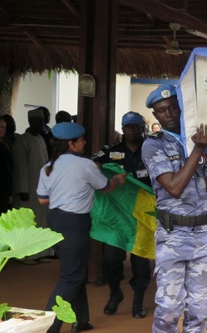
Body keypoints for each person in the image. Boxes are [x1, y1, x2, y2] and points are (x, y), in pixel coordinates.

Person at [141, 83, 207, 333]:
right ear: (155, 115)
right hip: (173, 235)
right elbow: (174, 187)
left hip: (203, 234)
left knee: (199, 310)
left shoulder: (198, 139)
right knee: (169, 310)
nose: (168, 114)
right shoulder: (153, 145)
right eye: (161, 110)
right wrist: (198, 150)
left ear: (180, 108)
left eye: (171, 108)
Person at [38, 122, 127, 333]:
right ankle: (49, 328)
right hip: (74, 224)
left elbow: (42, 200)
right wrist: (117, 179)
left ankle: (82, 320)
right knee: (70, 277)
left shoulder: (47, 166)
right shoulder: (84, 165)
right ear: (72, 144)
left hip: (55, 221)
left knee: (74, 271)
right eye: (82, 139)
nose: (85, 142)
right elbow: (105, 187)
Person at [91, 111, 152, 319]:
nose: (133, 130)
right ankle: (115, 293)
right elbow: (91, 167)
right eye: (128, 127)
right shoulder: (111, 151)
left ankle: (138, 301)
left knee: (141, 260)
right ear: (123, 128)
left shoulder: (153, 149)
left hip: (142, 215)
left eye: (136, 126)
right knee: (111, 257)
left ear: (143, 128)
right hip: (116, 216)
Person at [11, 108, 52, 262]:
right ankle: (25, 255)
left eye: (42, 121)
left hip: (40, 188)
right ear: (31, 122)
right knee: (27, 222)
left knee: (40, 220)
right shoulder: (22, 141)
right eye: (38, 122)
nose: (41, 124)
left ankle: (40, 253)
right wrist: (23, 189)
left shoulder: (40, 139)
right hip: (27, 190)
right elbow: (20, 166)